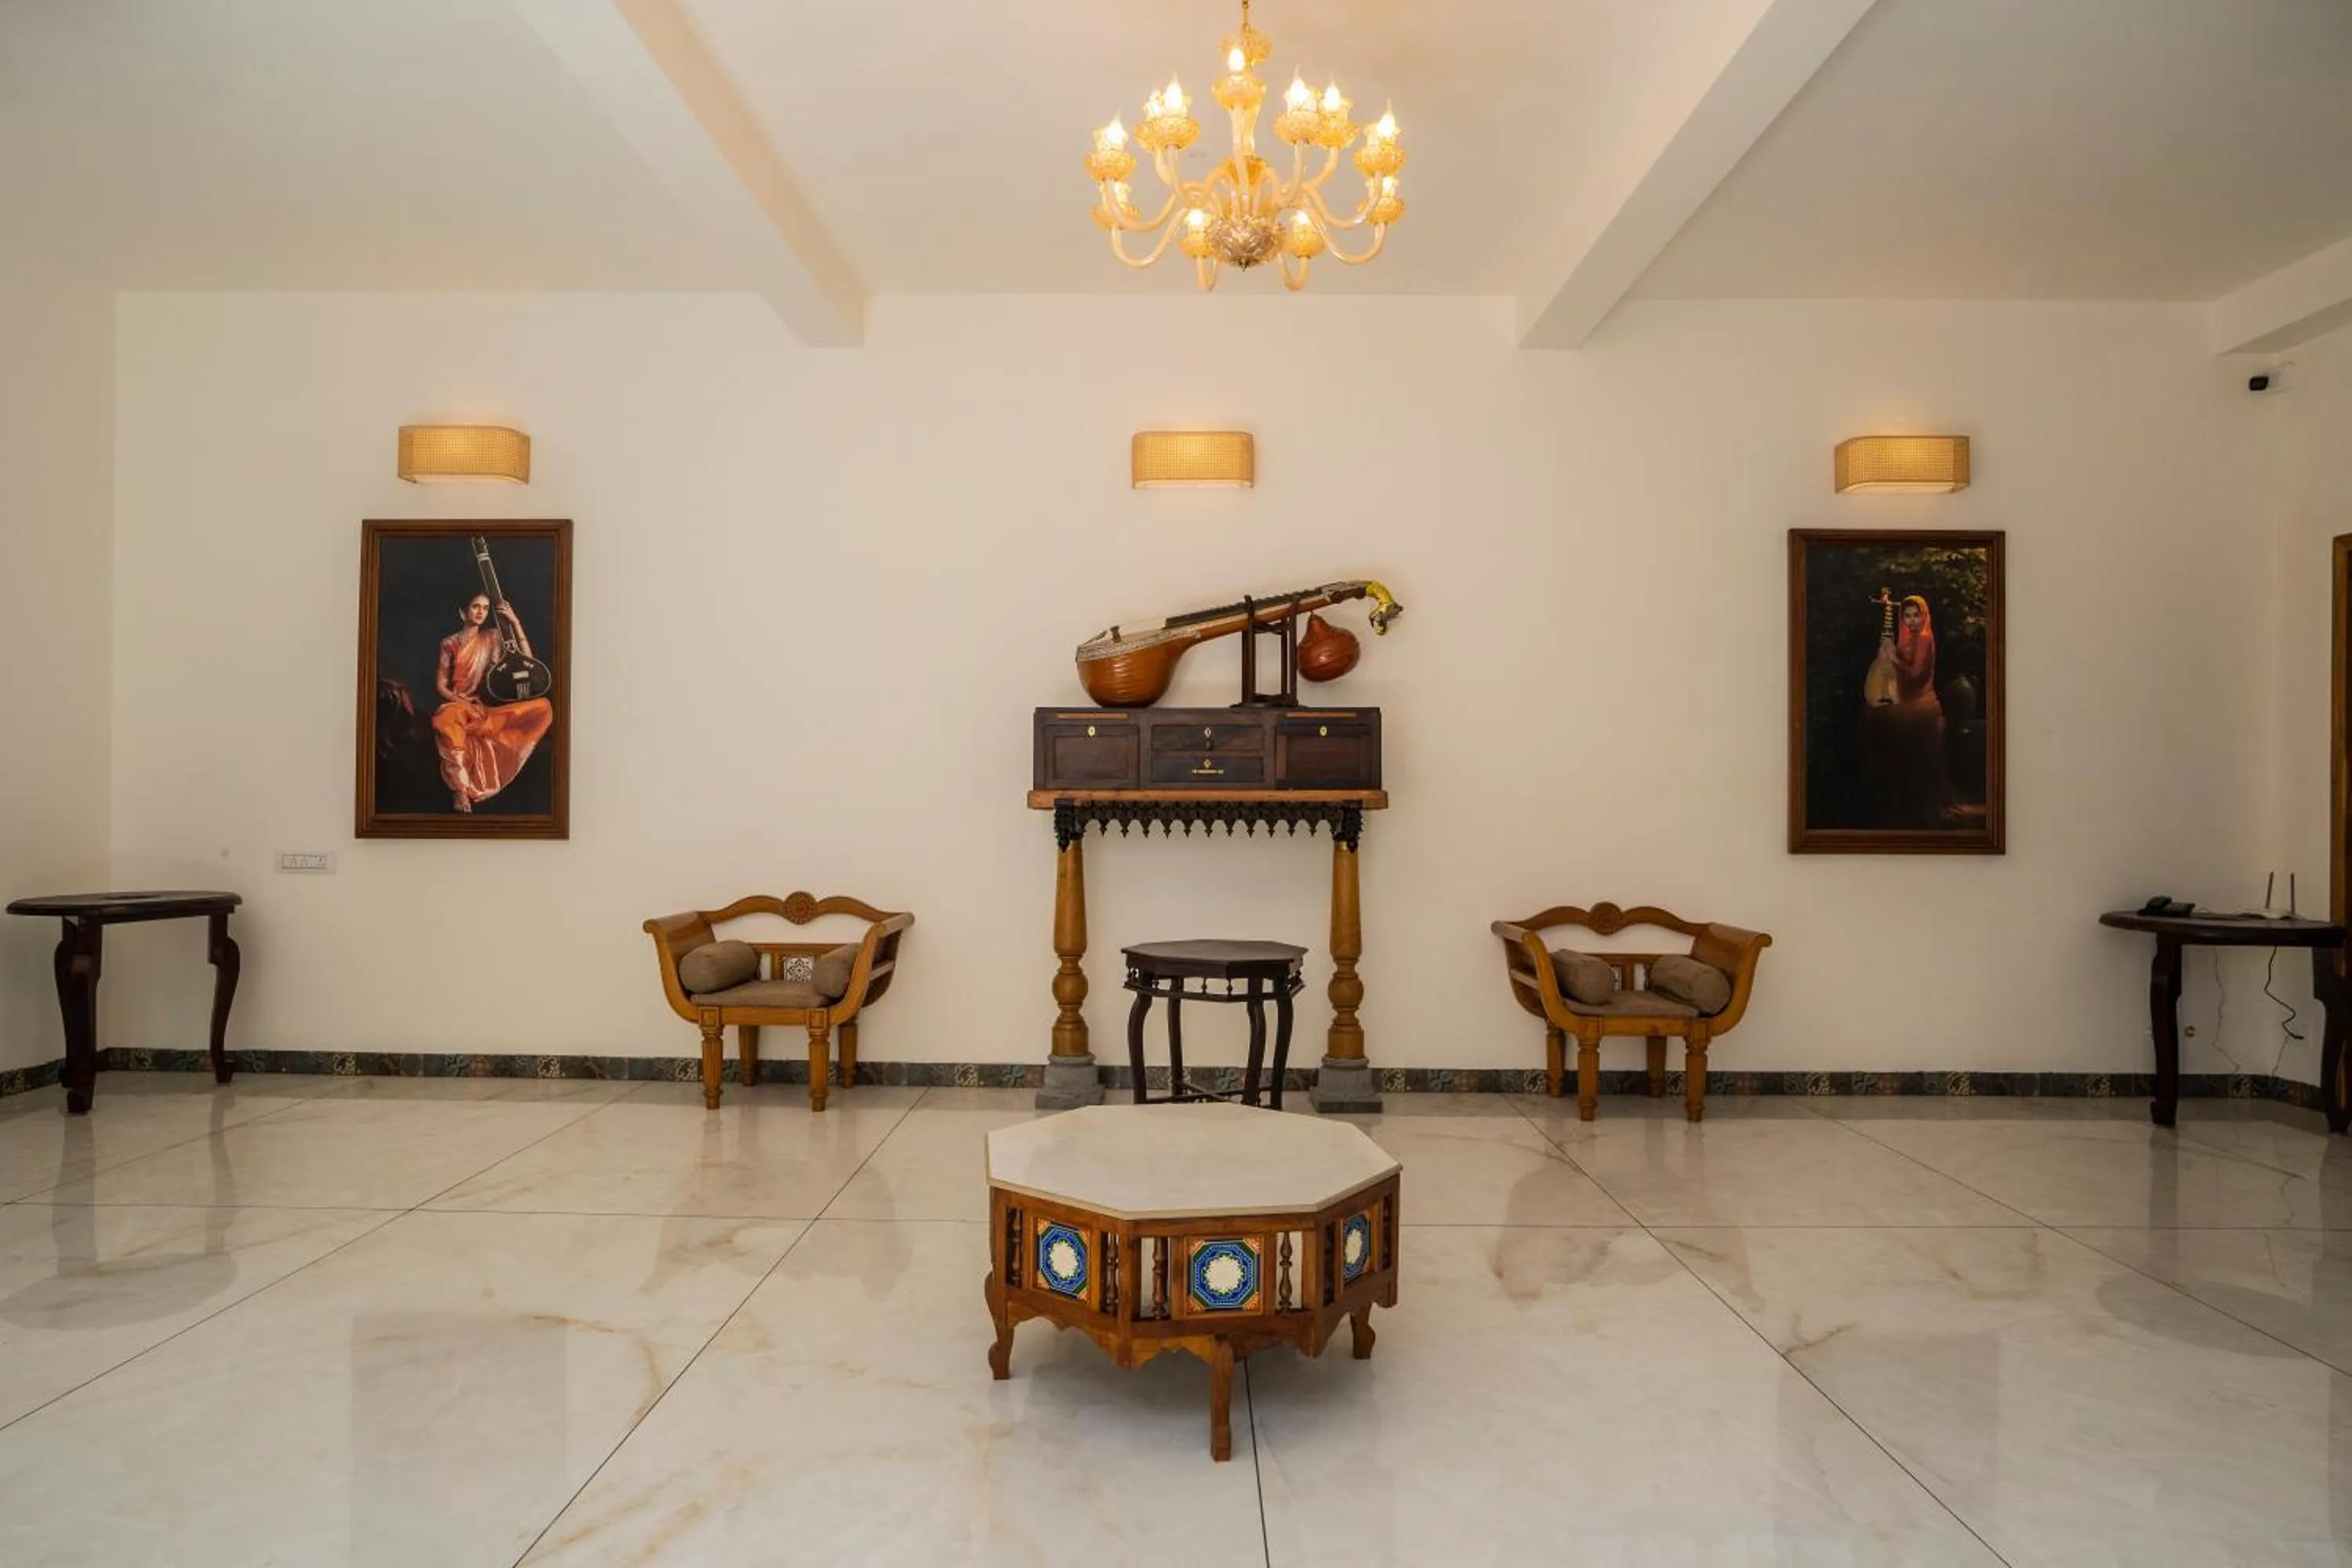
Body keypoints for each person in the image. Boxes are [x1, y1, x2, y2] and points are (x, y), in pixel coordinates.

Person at [431, 592, 554, 812]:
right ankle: (460, 792)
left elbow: (529, 661)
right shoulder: (449, 643)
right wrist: (464, 704)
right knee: (448, 717)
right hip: (458, 706)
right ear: (462, 612)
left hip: (483, 710)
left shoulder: (493, 638)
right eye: (475, 606)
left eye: (485, 608)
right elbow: (441, 686)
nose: (480, 612)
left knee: (543, 707)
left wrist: (515, 622)